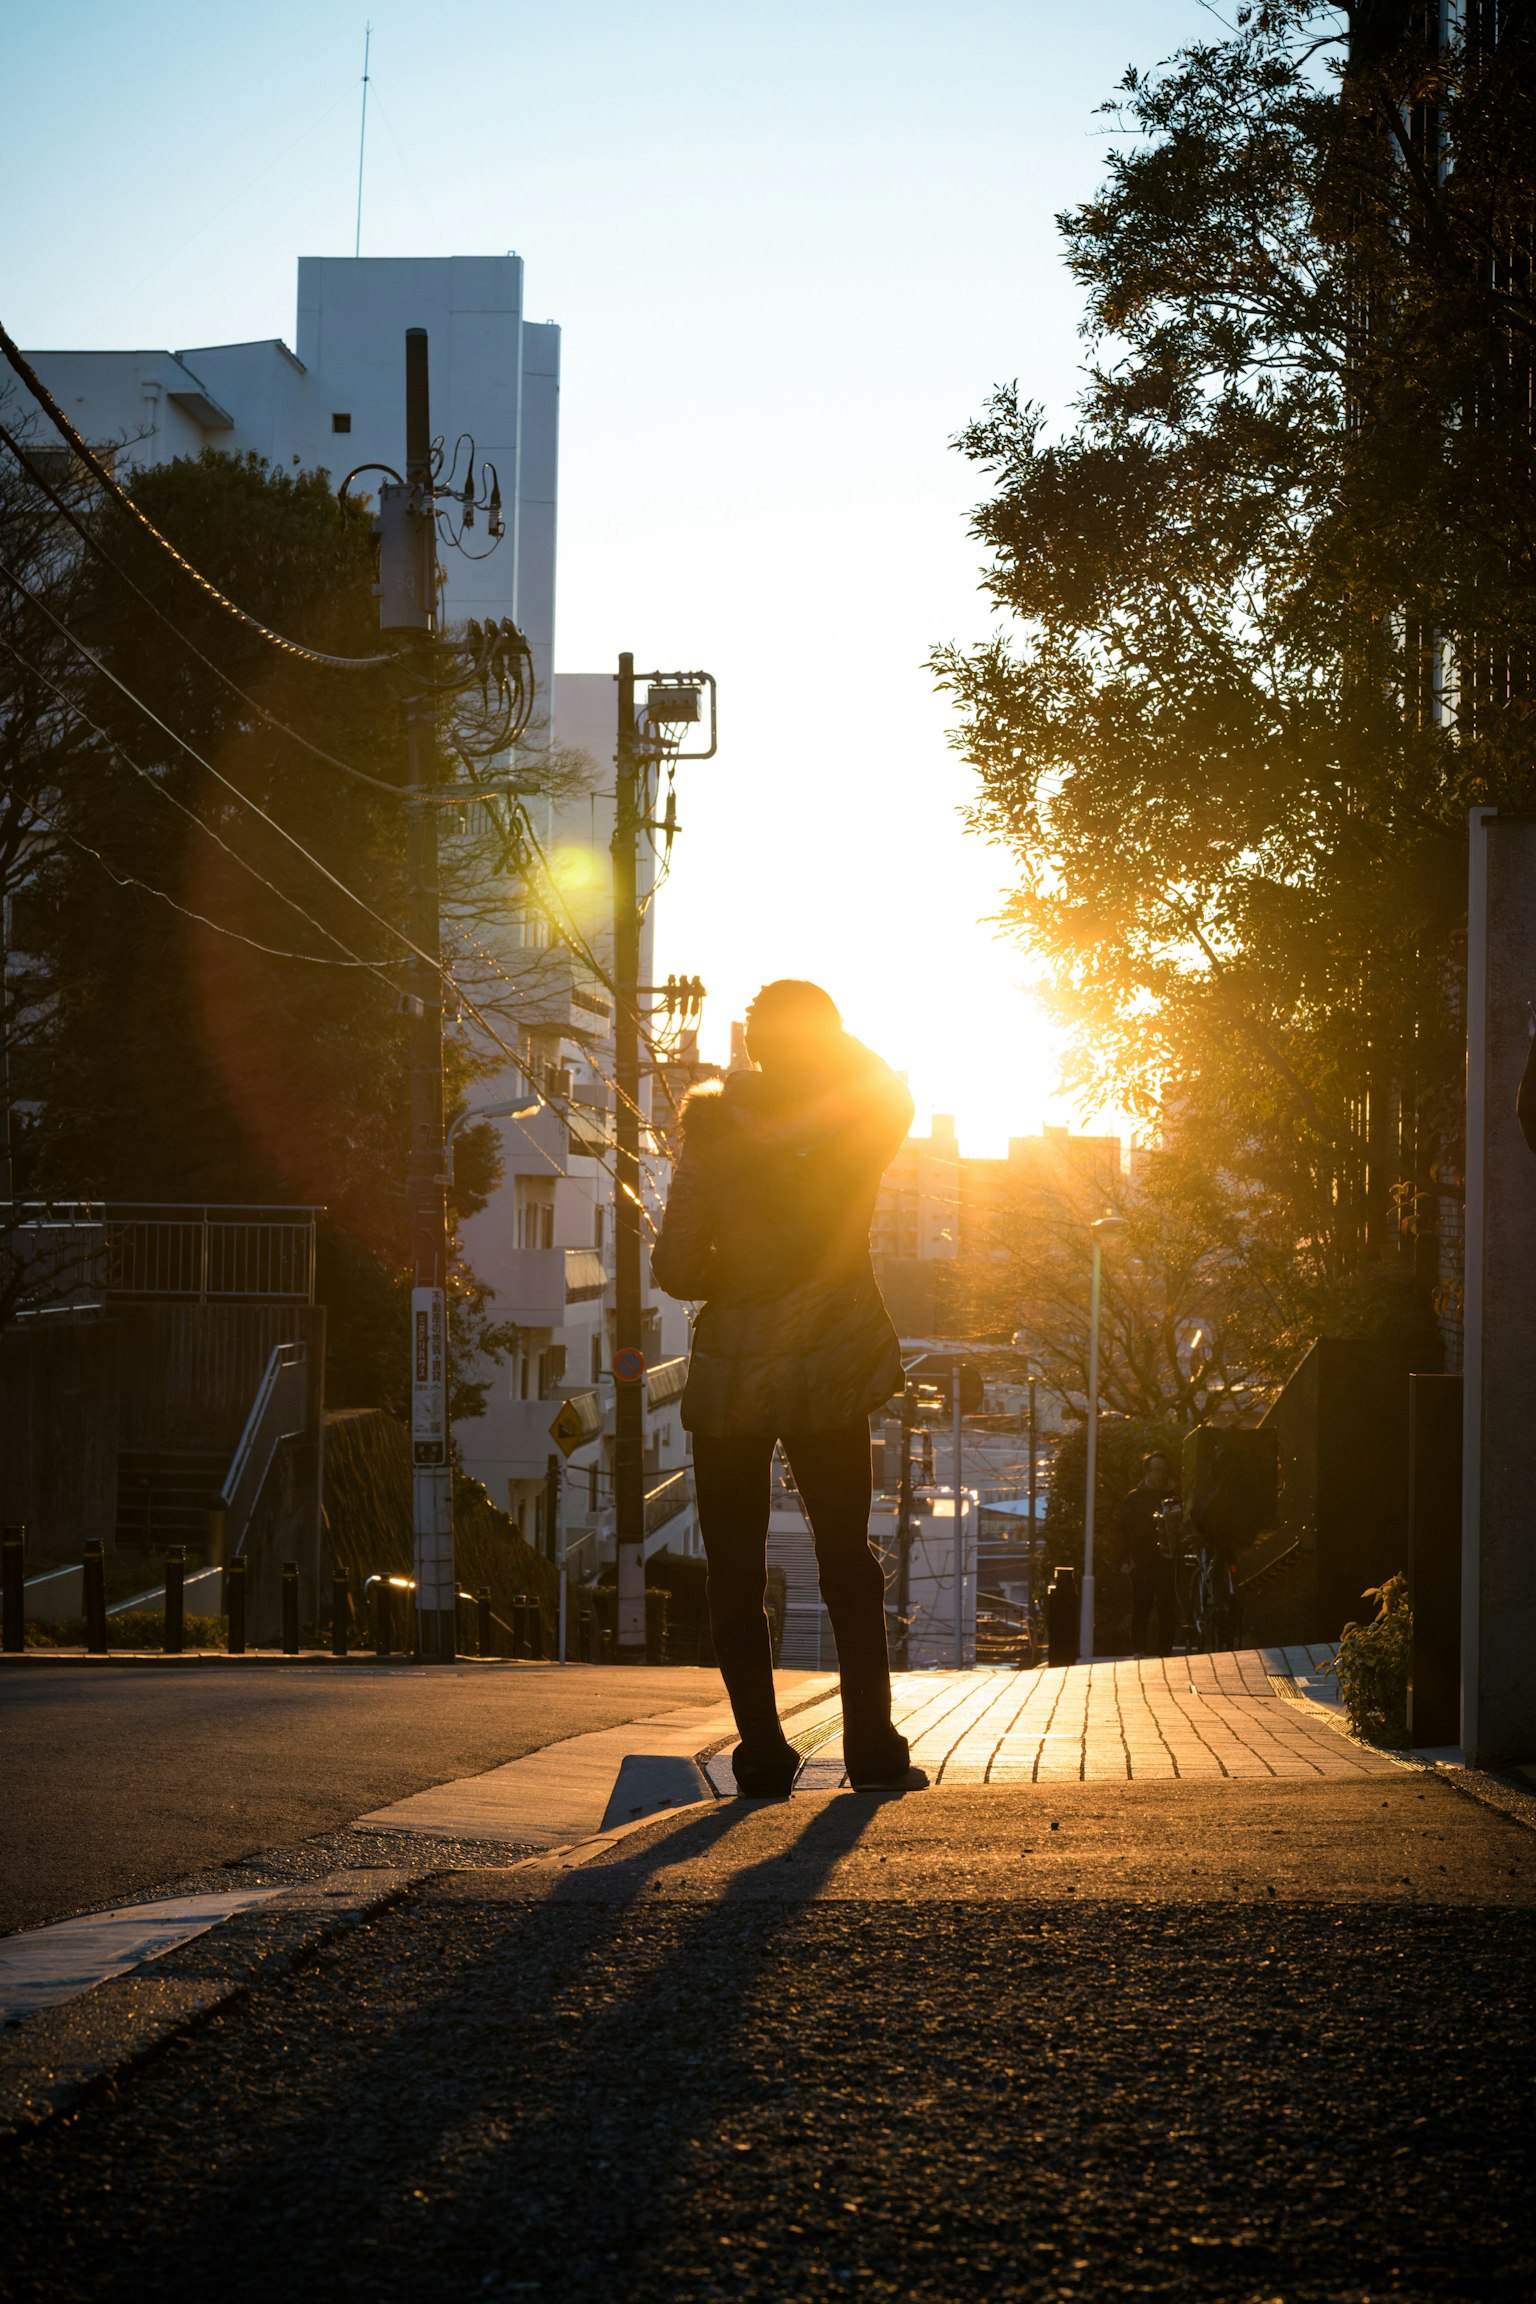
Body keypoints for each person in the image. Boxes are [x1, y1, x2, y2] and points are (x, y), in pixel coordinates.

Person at [651, 979, 914, 1796]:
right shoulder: (855, 1128)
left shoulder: (714, 1132)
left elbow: (677, 1265)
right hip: (832, 1363)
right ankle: (871, 1746)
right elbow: (890, 1090)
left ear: (756, 1045)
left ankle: (762, 1754)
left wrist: (741, 1273)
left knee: (734, 1564)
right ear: (830, 1042)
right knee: (847, 1554)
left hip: (735, 1369)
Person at [1115, 1451, 1179, 1656]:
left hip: (1167, 1558)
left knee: (1166, 1606)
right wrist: (1124, 1559)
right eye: (1157, 1470)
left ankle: (1164, 1650)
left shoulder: (1173, 1497)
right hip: (1141, 1559)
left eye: (1164, 1470)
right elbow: (1122, 1530)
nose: (1161, 1474)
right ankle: (1139, 1649)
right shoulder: (1134, 1498)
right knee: (1142, 1605)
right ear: (1148, 1472)